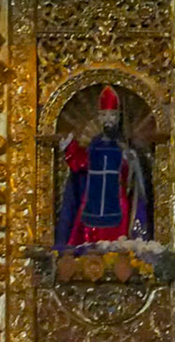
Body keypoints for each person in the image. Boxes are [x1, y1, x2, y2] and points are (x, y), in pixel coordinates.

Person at [55, 86, 153, 250]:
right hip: (92, 206)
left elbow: (134, 179)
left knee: (119, 247)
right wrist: (69, 148)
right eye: (105, 115)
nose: (109, 119)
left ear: (119, 118)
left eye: (113, 115)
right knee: (87, 246)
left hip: (117, 205)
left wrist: (131, 161)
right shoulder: (94, 145)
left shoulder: (124, 146)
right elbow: (80, 163)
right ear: (99, 117)